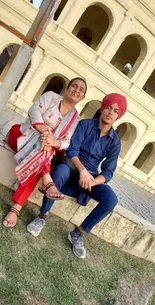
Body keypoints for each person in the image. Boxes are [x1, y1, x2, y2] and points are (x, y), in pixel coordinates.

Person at [27, 93, 127, 258]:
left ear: (118, 116)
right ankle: (43, 216)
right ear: (102, 108)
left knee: (111, 199)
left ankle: (78, 233)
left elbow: (109, 171)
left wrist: (93, 182)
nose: (110, 112)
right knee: (60, 172)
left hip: (90, 177)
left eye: (115, 111)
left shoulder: (114, 141)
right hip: (71, 164)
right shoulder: (85, 125)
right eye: (108, 107)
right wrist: (82, 171)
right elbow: (72, 149)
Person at [2, 77, 87, 228]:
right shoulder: (51, 97)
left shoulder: (76, 120)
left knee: (40, 159)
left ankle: (17, 208)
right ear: (67, 88)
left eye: (81, 90)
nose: (76, 90)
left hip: (42, 153)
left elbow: (67, 141)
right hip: (21, 137)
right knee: (44, 153)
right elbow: (34, 110)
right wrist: (44, 131)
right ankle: (46, 180)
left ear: (83, 97)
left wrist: (54, 142)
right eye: (74, 86)